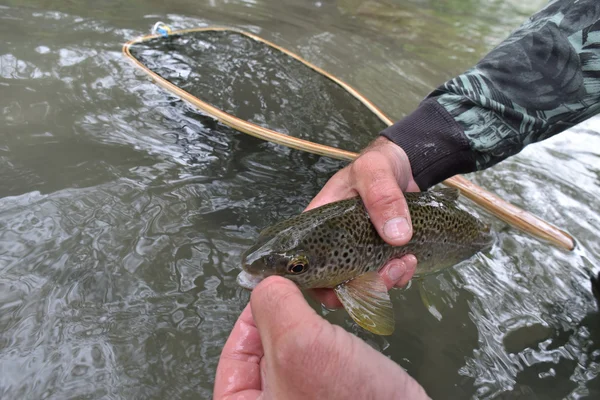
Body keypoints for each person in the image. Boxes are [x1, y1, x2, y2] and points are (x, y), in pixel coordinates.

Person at [214, 1, 600, 398]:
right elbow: (576, 44)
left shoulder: (354, 276)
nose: (291, 270)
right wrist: (406, 150)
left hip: (466, 237)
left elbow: (375, 319)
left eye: (297, 266)